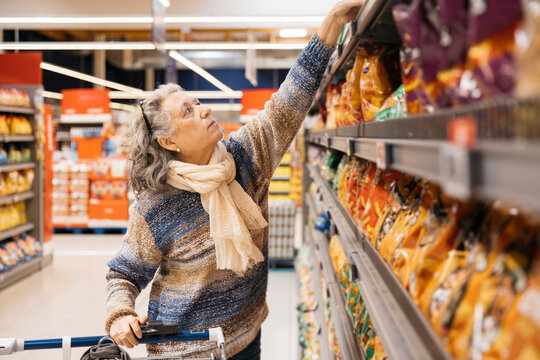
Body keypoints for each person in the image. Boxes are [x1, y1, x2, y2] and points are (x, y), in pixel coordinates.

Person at [105, 1, 364, 358]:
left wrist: (333, 21)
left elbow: (290, 100)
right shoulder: (156, 207)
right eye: (189, 111)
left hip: (245, 336)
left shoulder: (245, 156)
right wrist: (120, 315)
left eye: (197, 102)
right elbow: (124, 274)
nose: (204, 109)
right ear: (169, 142)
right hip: (183, 349)